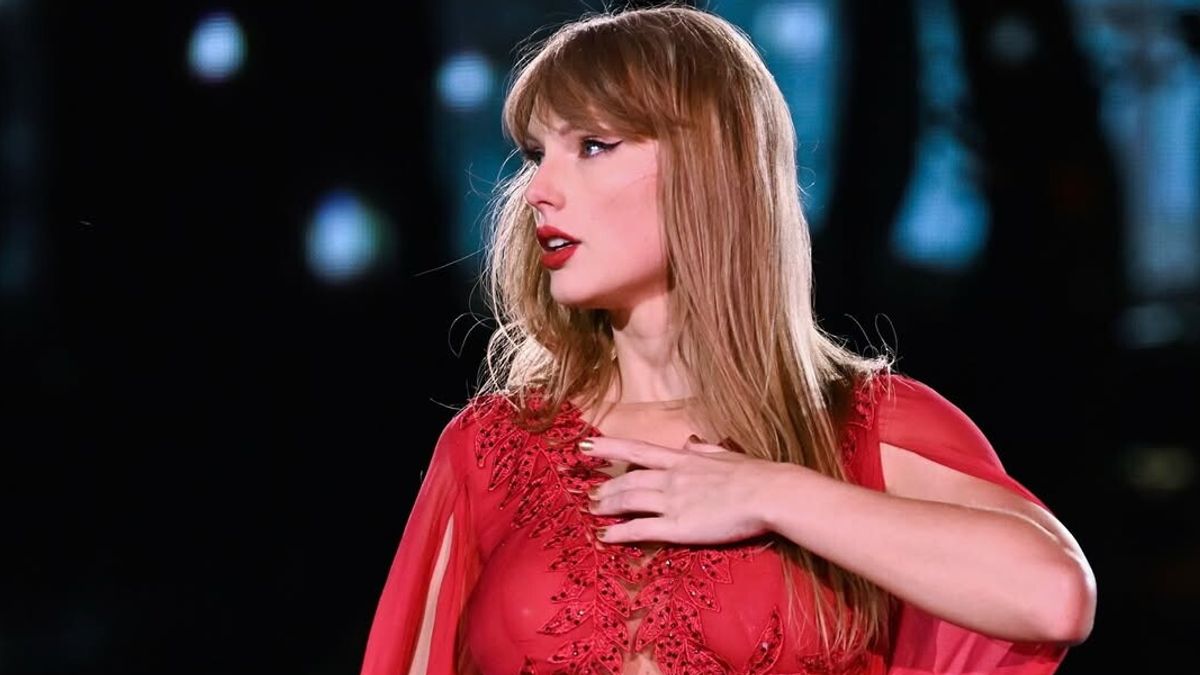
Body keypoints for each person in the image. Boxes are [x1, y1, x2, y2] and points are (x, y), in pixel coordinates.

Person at [359, 5, 1096, 674]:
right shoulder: (489, 448)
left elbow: (1054, 597)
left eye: (592, 145)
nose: (538, 190)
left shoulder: (856, 423)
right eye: (534, 154)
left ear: (707, 165)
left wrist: (770, 493)